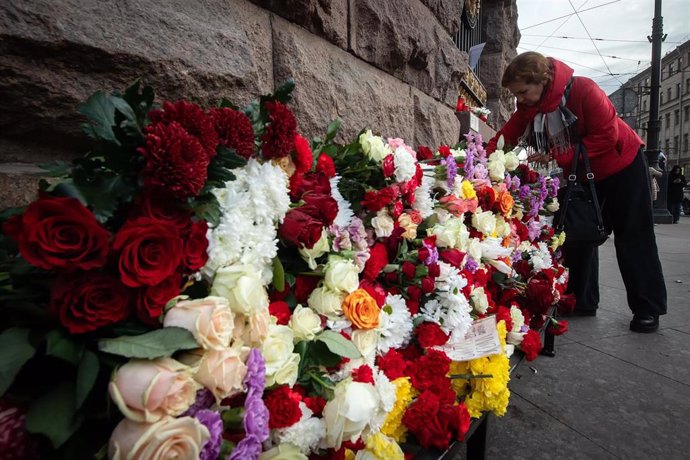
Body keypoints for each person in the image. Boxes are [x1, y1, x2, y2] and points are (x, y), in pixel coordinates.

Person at [486, 51, 667, 333]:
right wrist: (480, 157)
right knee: (577, 232)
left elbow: (609, 136)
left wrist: (560, 156)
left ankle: (647, 308)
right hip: (583, 171)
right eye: (516, 95)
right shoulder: (531, 106)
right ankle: (582, 300)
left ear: (542, 80)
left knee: (633, 235)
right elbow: (507, 134)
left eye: (523, 91)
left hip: (623, 165)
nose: (520, 100)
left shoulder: (584, 89)